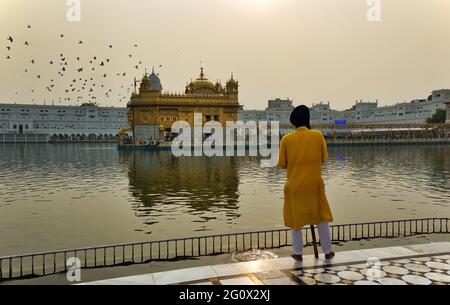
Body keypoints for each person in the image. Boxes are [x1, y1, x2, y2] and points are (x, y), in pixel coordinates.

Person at [278, 105, 335, 261]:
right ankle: (328, 251)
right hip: (314, 186)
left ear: (293, 122)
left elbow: (282, 163)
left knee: (296, 220)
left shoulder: (286, 139)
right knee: (321, 218)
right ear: (307, 119)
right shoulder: (318, 136)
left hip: (295, 187)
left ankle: (298, 253)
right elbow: (324, 159)